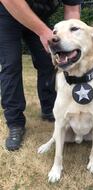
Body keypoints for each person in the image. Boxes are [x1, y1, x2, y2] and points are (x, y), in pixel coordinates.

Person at [0, 0, 82, 151]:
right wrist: (43, 32)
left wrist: (71, 41)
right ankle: (15, 122)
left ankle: (49, 108)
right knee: (11, 65)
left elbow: (72, 12)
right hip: (7, 13)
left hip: (39, 17)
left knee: (48, 62)